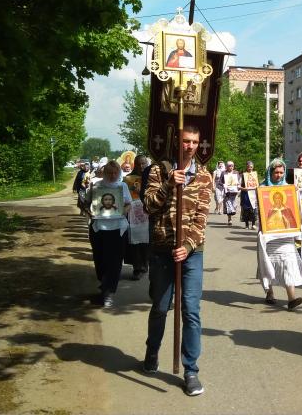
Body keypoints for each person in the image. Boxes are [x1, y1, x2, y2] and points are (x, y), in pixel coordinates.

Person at [142, 125, 211, 396]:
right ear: (176, 141)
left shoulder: (204, 176)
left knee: (191, 311)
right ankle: (152, 350)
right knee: (160, 307)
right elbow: (148, 205)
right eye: (185, 141)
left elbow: (201, 218)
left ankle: (191, 370)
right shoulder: (159, 170)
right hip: (162, 250)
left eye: (194, 142)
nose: (190, 146)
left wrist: (188, 245)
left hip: (192, 252)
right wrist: (169, 184)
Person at [256, 158, 302, 310]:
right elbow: (262, 213)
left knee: (288, 262)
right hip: (268, 236)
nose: (279, 175)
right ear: (270, 172)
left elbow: (294, 214)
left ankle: (291, 298)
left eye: (281, 172)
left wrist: (296, 194)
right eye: (276, 172)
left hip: (286, 236)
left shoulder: (289, 188)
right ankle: (269, 293)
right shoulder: (263, 188)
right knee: (267, 262)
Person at [86, 160, 131, 308]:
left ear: (119, 173)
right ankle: (104, 283)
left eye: (115, 173)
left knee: (115, 261)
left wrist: (121, 212)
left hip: (118, 228)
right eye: (109, 173)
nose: (112, 175)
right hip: (99, 228)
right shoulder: (96, 186)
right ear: (104, 173)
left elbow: (129, 204)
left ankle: (109, 292)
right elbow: (86, 203)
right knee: (100, 260)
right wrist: (90, 212)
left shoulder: (122, 186)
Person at [124, 154, 150, 280]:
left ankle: (145, 265)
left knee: (146, 240)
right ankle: (137, 267)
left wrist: (141, 191)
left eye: (144, 163)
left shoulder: (151, 178)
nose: (141, 166)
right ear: (135, 164)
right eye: (139, 164)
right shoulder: (128, 178)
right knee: (134, 241)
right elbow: (123, 195)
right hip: (132, 212)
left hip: (147, 212)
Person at [240, 161, 259, 230]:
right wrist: (243, 188)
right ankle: (247, 224)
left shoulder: (255, 174)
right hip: (246, 194)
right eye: (248, 167)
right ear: (246, 167)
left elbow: (257, 184)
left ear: (253, 167)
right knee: (246, 209)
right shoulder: (243, 175)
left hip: (253, 193)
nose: (250, 168)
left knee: (253, 208)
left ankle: (253, 224)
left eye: (251, 167)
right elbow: (239, 185)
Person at [222, 160, 240, 226]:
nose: (231, 167)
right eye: (229, 166)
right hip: (227, 192)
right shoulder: (224, 173)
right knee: (228, 205)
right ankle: (229, 219)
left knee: (234, 205)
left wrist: (238, 184)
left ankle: (232, 214)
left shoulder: (236, 173)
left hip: (234, 192)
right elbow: (220, 181)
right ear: (227, 166)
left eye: (232, 166)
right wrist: (223, 184)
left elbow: (238, 180)